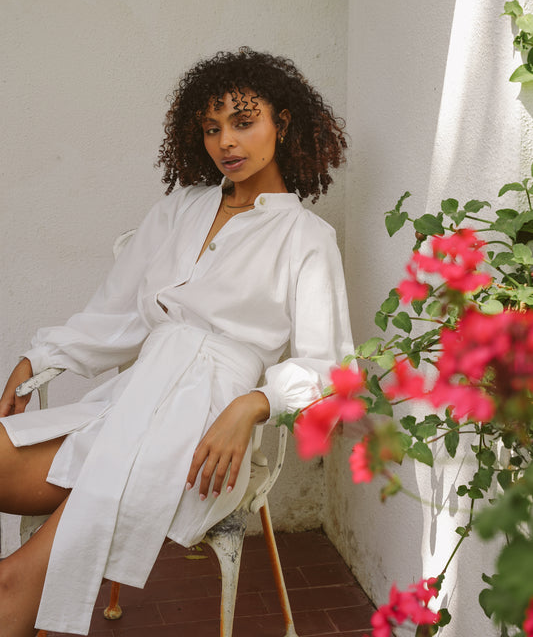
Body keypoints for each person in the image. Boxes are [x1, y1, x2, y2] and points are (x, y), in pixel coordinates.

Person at [0, 47, 354, 636]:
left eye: (243, 122)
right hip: (132, 400)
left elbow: (330, 365)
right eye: (212, 128)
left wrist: (253, 403)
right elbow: (114, 315)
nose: (226, 142)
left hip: (206, 427)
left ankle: (22, 598)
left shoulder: (306, 238)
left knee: (16, 581)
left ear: (282, 123)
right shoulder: (178, 211)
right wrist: (43, 354)